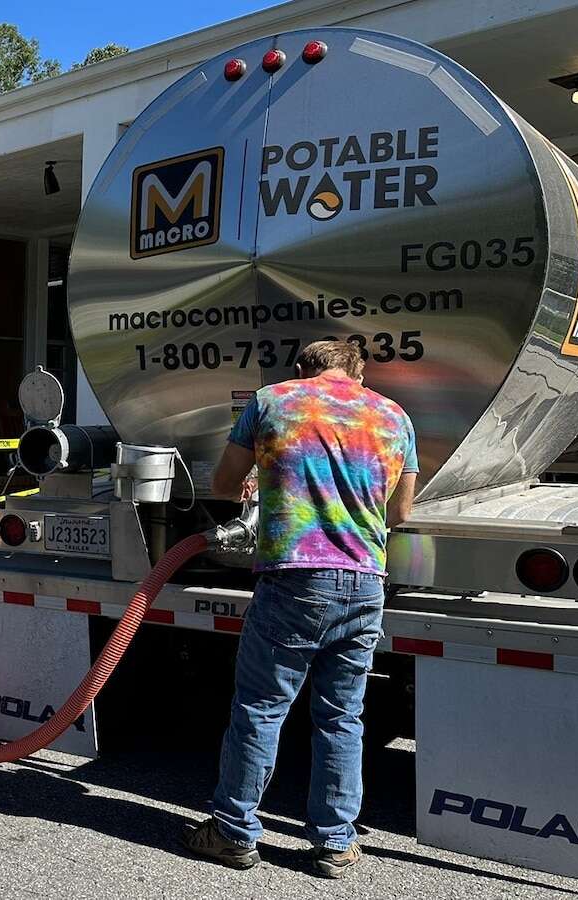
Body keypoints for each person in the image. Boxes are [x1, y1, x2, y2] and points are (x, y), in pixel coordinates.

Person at [183, 340, 418, 878]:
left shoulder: (273, 401)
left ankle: (232, 832)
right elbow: (399, 511)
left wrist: (259, 482)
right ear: (356, 375)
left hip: (294, 578)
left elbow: (223, 484)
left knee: (262, 708)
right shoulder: (393, 415)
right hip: (365, 581)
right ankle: (335, 842)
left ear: (303, 369)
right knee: (342, 716)